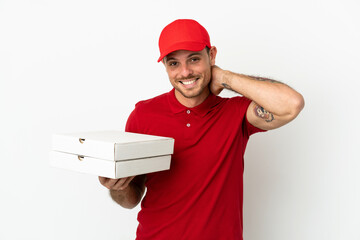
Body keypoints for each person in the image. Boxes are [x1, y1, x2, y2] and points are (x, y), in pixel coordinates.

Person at [99, 19, 304, 240]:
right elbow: (132, 199)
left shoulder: (236, 113)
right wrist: (117, 187)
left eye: (194, 59)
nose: (185, 72)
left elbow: (291, 104)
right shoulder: (144, 115)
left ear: (212, 56)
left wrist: (225, 77)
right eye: (173, 63)